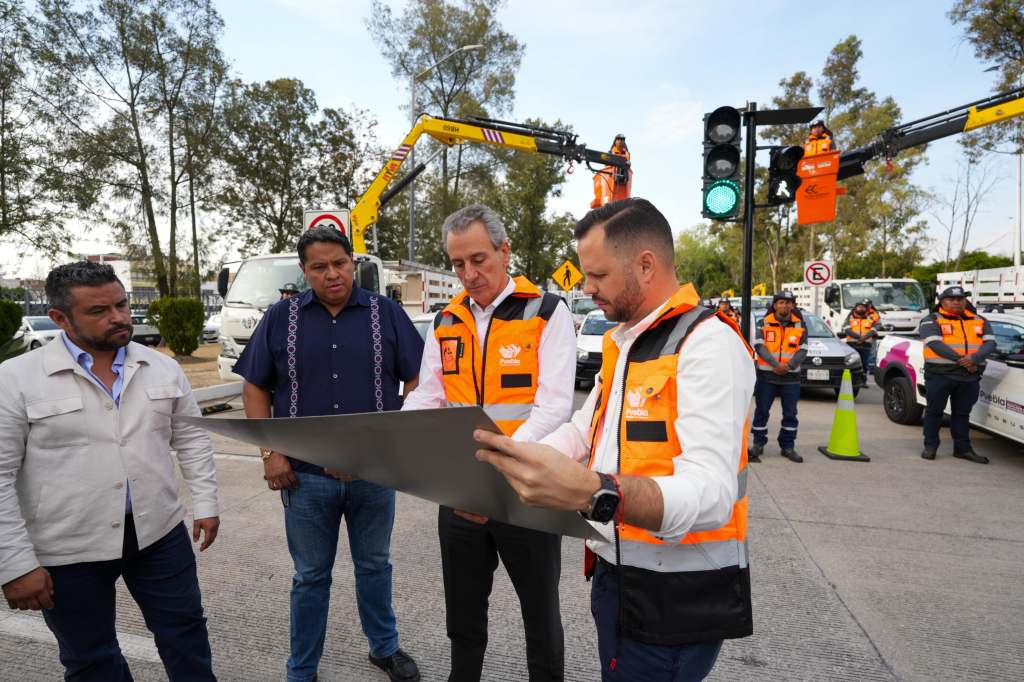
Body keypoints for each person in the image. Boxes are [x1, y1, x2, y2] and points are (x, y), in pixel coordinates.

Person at [472, 198, 755, 682]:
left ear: (645, 265)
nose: (586, 288)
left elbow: (712, 493)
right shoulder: (624, 343)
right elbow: (585, 431)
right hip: (618, 576)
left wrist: (594, 492)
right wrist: (514, 459)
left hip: (675, 598)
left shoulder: (707, 345)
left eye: (598, 275)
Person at [0, 261, 221, 681]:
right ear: (60, 318)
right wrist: (14, 564)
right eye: (99, 311)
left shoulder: (162, 367)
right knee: (91, 658)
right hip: (67, 546)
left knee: (186, 634)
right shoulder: (16, 380)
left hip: (158, 534)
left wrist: (207, 504)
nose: (119, 317)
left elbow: (191, 439)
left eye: (121, 304)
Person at [233, 226, 424, 682]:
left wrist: (394, 444)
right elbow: (254, 385)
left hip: (373, 475)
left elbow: (419, 382)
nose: (331, 274)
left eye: (339, 263)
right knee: (310, 577)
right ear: (304, 270)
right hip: (303, 477)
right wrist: (270, 454)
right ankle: (302, 669)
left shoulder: (387, 314)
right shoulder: (281, 318)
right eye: (318, 267)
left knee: (375, 565)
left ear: (352, 262)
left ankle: (385, 647)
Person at [402, 204, 576, 682]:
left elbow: (554, 406)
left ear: (505, 251)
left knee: (540, 613)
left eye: (479, 259)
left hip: (527, 490)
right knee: (463, 614)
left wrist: (497, 471)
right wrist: (390, 438)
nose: (469, 274)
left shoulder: (546, 311)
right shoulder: (446, 320)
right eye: (458, 264)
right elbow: (429, 398)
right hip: (461, 495)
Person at [918, 286, 997, 463]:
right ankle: (930, 446)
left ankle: (962, 449)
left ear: (965, 301)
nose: (956, 302)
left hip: (969, 376)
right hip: (940, 375)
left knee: (962, 414)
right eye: (951, 299)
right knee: (934, 412)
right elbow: (934, 344)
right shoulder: (931, 320)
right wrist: (965, 360)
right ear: (942, 301)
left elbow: (990, 344)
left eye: (960, 299)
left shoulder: (980, 320)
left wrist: (975, 358)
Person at [750, 291, 808, 463]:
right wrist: (776, 365)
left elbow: (803, 350)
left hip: (791, 378)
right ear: (775, 305)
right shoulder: (764, 323)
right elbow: (759, 347)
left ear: (793, 305)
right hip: (767, 376)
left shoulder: (800, 325)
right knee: (761, 412)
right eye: (781, 302)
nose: (785, 305)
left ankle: (788, 446)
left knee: (790, 413)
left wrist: (788, 366)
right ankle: (758, 444)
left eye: (789, 303)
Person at [841, 299, 877, 386]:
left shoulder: (870, 318)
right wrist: (859, 337)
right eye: (859, 307)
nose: (861, 309)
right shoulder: (850, 317)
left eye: (863, 307)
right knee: (850, 363)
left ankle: (863, 381)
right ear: (856, 308)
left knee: (864, 364)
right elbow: (847, 330)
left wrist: (863, 338)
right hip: (852, 345)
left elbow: (874, 330)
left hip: (865, 345)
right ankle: (848, 380)